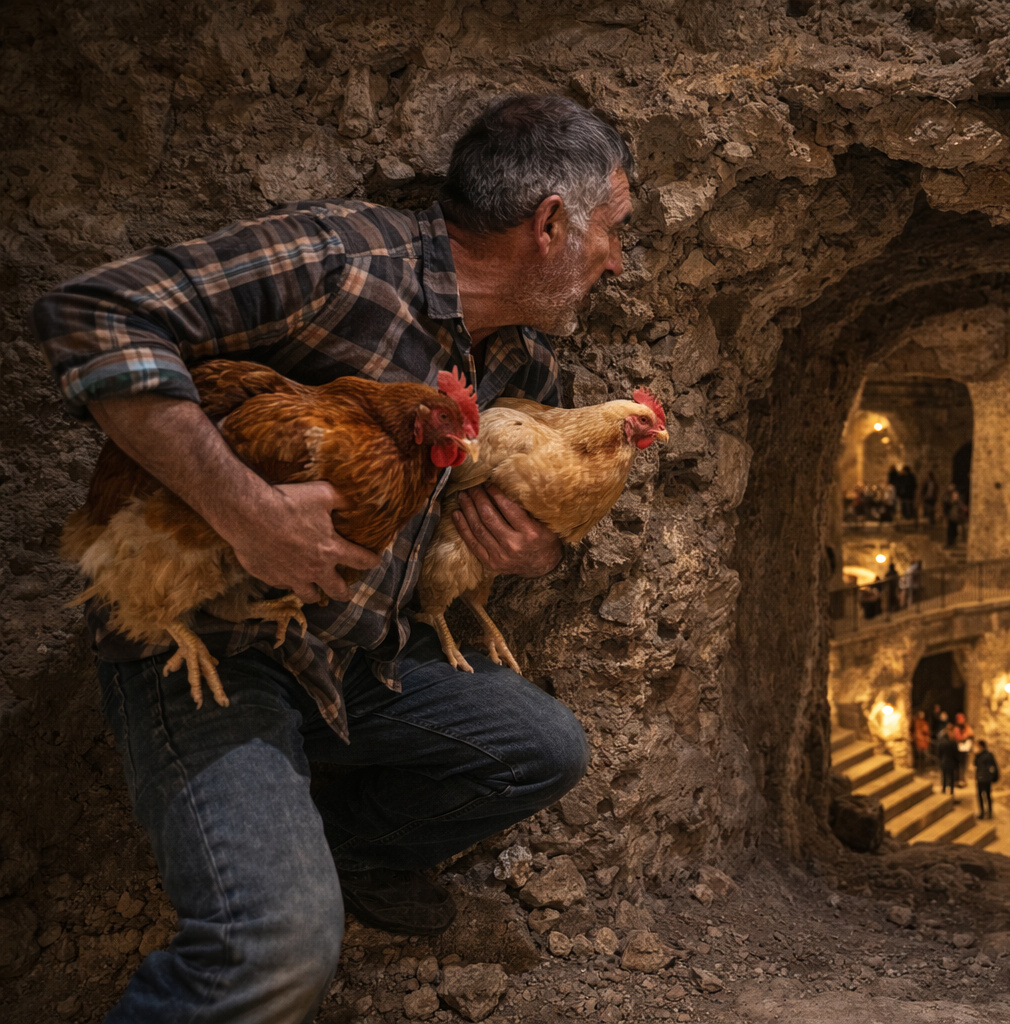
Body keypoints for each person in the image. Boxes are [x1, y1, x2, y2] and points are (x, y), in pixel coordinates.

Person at [32, 93, 627, 1018]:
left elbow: (548, 535)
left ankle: (332, 854)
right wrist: (249, 512)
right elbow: (92, 311)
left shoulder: (526, 371)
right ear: (550, 223)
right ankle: (284, 894)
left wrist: (537, 553)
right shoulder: (342, 261)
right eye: (613, 232)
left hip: (359, 664)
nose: (616, 260)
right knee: (275, 954)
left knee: (541, 748)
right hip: (212, 644)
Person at [974, 741, 999, 819]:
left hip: (982, 779)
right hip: (986, 779)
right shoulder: (989, 755)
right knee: (987, 796)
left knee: (982, 796)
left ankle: (983, 813)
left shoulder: (982, 756)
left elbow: (976, 764)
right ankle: (989, 812)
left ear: (981, 746)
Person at [951, 712, 975, 788]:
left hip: (964, 749)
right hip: (957, 750)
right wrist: (964, 737)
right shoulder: (956, 728)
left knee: (963, 766)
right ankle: (958, 780)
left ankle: (962, 780)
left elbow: (970, 734)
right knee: (958, 766)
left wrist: (966, 736)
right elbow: (957, 738)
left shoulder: (966, 727)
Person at [935, 724, 960, 798]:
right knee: (951, 777)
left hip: (944, 761)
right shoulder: (952, 742)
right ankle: (951, 791)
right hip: (951, 762)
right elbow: (956, 753)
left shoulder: (941, 741)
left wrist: (940, 760)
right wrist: (957, 762)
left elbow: (939, 753)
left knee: (944, 776)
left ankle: (943, 790)